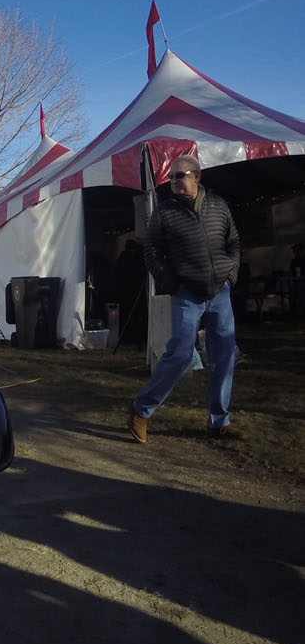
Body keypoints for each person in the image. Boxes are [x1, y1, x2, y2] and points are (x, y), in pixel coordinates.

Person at [128, 155, 241, 443]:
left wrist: (231, 274)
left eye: (181, 175)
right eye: (172, 177)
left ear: (197, 176)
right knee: (178, 355)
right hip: (187, 294)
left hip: (220, 293)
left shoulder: (218, 205)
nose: (175, 181)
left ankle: (219, 421)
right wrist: (170, 282)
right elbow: (151, 250)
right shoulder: (164, 212)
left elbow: (233, 241)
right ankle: (141, 411)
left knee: (225, 356)